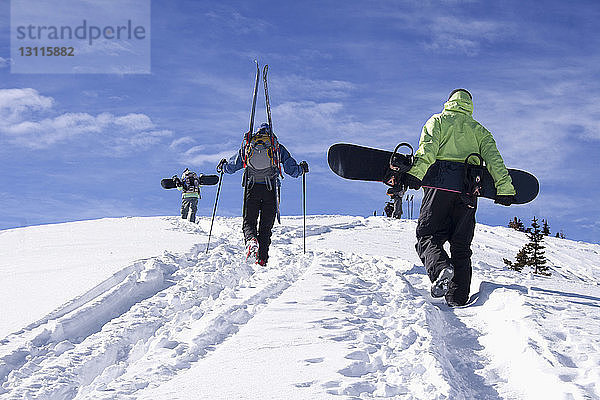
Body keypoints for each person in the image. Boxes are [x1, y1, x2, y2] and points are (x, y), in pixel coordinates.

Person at [402, 89, 516, 306]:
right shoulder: (480, 131)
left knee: (428, 235)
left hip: (440, 188)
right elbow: (495, 161)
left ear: (449, 102)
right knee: (461, 246)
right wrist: (504, 188)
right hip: (468, 191)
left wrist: (416, 175)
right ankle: (458, 299)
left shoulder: (438, 121)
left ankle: (441, 269)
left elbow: (428, 149)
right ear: (470, 105)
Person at [218, 123, 309, 266]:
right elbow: (291, 170)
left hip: (252, 187)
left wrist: (222, 166)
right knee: (266, 227)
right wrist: (301, 169)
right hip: (270, 189)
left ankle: (251, 240)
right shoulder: (276, 146)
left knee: (249, 221)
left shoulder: (249, 145)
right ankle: (262, 259)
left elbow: (232, 166)